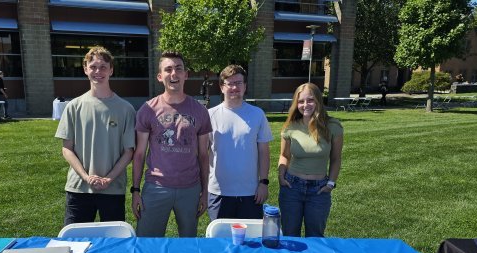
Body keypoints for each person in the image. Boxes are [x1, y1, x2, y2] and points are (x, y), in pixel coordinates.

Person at [131, 51, 212, 237]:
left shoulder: (200, 111)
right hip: (156, 187)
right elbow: (139, 154)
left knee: (188, 243)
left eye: (178, 69)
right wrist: (135, 190)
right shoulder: (148, 109)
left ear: (186, 74)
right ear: (160, 76)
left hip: (190, 188)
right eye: (168, 69)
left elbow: (203, 155)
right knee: (147, 242)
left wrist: (205, 191)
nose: (173, 74)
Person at [55, 46, 136, 225]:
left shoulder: (126, 109)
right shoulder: (74, 106)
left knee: (114, 243)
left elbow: (128, 152)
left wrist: (109, 179)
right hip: (79, 188)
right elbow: (67, 149)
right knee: (75, 241)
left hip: (113, 189)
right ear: (85, 69)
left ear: (111, 70)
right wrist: (86, 177)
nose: (98, 71)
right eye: (93, 67)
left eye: (103, 67)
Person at [207, 64, 273, 220]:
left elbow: (264, 151)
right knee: (221, 241)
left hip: (250, 192)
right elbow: (202, 154)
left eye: (238, 83)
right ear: (222, 87)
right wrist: (202, 188)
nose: (234, 87)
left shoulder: (257, 114)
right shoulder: (210, 115)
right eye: (230, 83)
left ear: (245, 86)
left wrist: (263, 183)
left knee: (251, 241)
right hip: (218, 192)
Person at [277, 82, 343, 237]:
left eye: (310, 100)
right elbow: (284, 155)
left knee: (315, 237)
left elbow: (336, 159)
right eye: (301, 101)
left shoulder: (333, 126)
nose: (305, 105)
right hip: (291, 187)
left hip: (319, 190)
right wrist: (281, 176)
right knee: (289, 236)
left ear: (318, 101)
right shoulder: (290, 126)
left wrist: (330, 184)